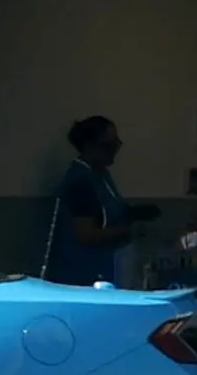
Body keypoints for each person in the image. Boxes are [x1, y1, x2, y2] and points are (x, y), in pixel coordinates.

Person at [39, 116, 132, 284]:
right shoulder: (79, 180)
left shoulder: (101, 175)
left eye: (116, 143)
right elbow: (85, 234)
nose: (115, 149)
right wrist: (127, 231)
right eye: (109, 144)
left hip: (101, 271)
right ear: (90, 145)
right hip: (80, 275)